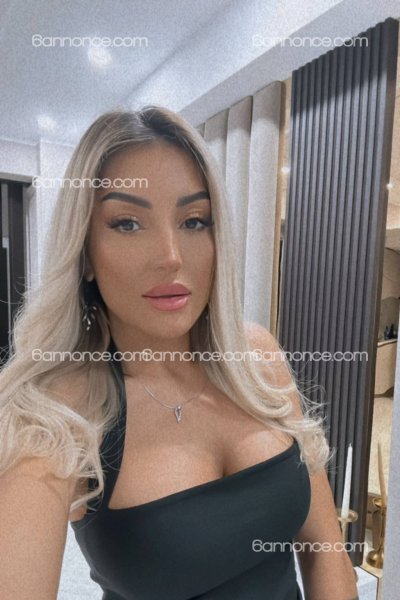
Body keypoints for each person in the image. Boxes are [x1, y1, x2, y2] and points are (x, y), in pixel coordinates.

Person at [0, 107, 358, 599]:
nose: (170, 256)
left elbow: (325, 553)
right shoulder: (59, 411)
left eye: (193, 221)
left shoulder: (257, 358)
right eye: (128, 223)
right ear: (84, 254)